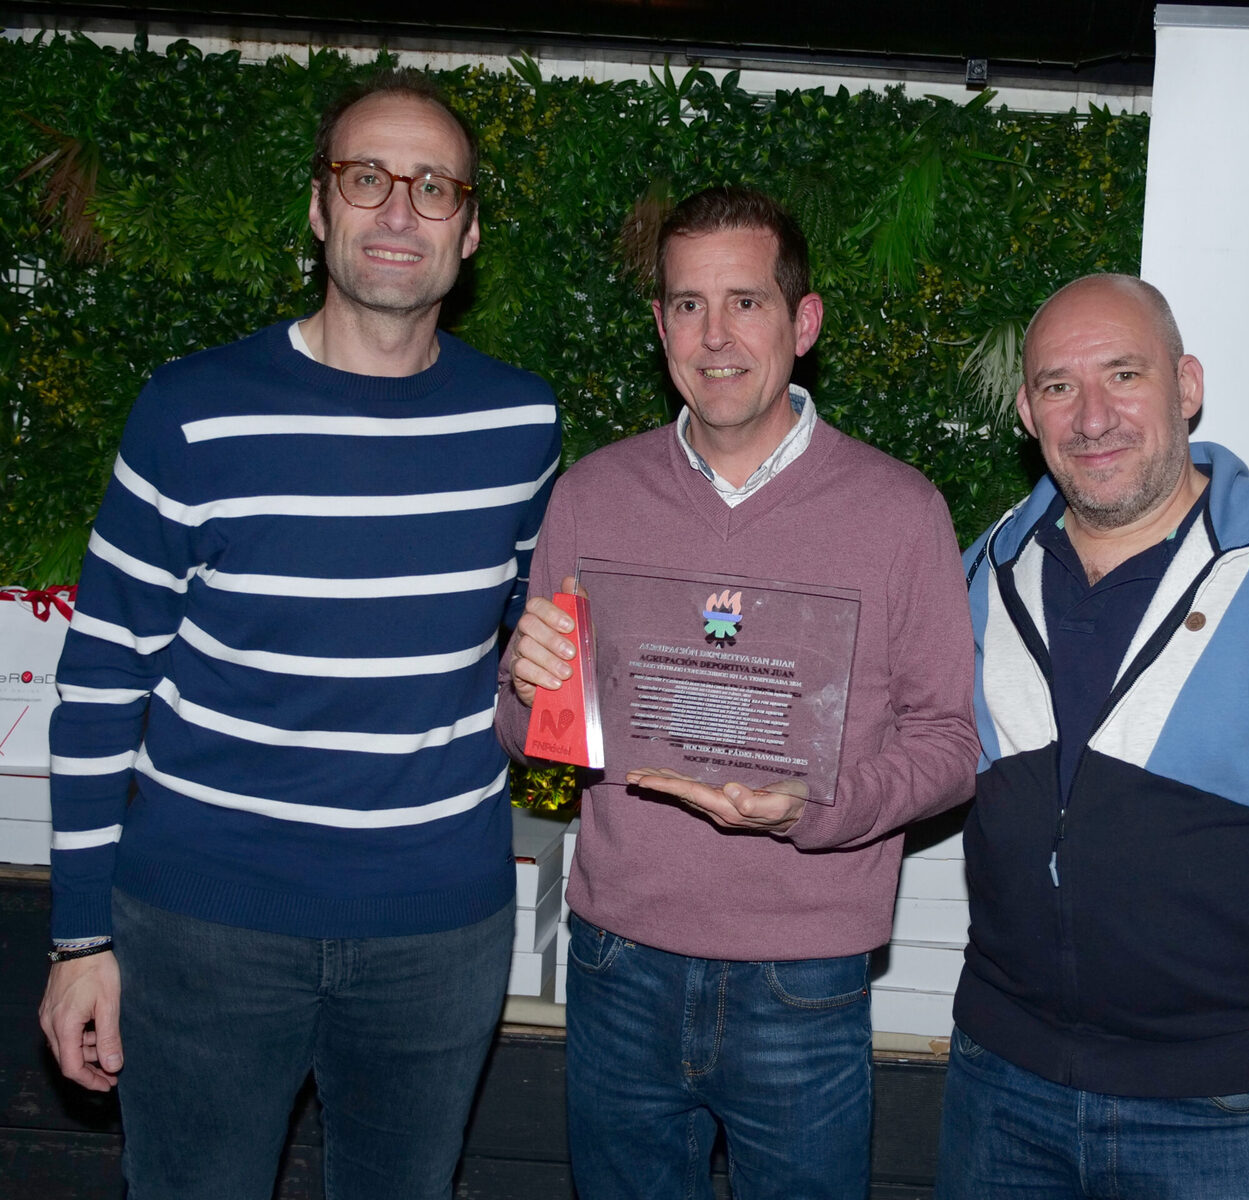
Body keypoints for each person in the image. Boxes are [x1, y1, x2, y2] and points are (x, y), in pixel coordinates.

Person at [39, 69, 560, 1199]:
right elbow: (100, 683)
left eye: (434, 186)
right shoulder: (190, 410)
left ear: (469, 231)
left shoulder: (524, 423)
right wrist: (78, 940)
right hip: (204, 924)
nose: (399, 210)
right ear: (320, 208)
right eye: (367, 177)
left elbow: (530, 642)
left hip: (438, 930)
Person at [496, 185, 978, 1199]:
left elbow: (947, 745)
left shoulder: (900, 512)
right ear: (660, 324)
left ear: (803, 323)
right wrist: (525, 692)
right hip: (617, 962)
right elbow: (535, 741)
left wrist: (817, 810)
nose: (714, 335)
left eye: (745, 302)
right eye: (687, 304)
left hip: (804, 978)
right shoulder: (591, 496)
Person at [938, 274, 1249, 1200]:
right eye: (1059, 386)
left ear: (1187, 386)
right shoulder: (983, 574)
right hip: (1000, 1086)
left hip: (1227, 1112)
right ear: (1027, 412)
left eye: (1124, 375)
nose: (1093, 417)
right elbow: (914, 761)